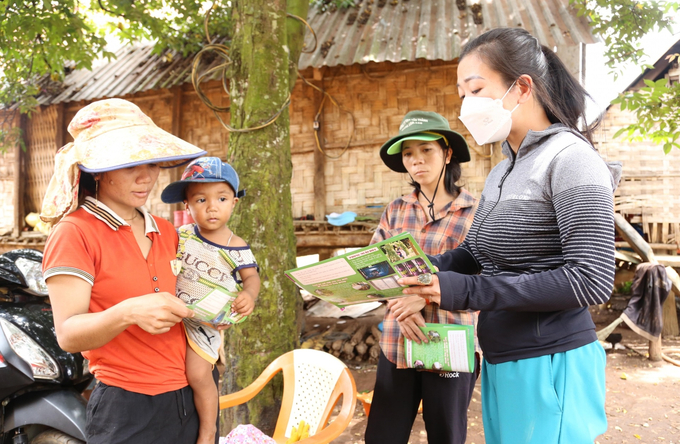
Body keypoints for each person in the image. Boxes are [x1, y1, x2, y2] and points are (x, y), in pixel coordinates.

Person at [397, 28, 623, 443]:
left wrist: (457, 290)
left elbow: (591, 278)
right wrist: (418, 270)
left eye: (477, 89)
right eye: (461, 93)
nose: (466, 105)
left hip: (553, 360)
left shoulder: (572, 160)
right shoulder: (503, 169)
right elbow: (474, 253)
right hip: (503, 358)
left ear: (521, 89)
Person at [40, 98, 208, 443]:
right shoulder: (75, 232)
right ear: (98, 169)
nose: (145, 176)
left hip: (190, 394)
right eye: (129, 165)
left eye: (151, 163)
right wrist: (130, 311)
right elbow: (69, 334)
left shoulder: (166, 229)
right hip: (127, 406)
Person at [364, 110, 479, 444]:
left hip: (451, 344)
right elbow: (373, 268)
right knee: (383, 435)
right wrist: (400, 302)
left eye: (426, 150)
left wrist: (426, 295)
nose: (417, 160)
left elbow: (485, 275)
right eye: (408, 153)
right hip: (398, 340)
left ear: (448, 152)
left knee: (446, 434)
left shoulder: (475, 211)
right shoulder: (396, 210)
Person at [161, 157, 261, 444]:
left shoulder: (236, 245)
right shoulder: (180, 236)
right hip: (175, 315)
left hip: (205, 323)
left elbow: (251, 278)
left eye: (221, 198)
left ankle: (208, 430)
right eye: (201, 199)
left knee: (197, 374)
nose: (211, 206)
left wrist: (248, 295)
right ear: (187, 205)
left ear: (234, 203)